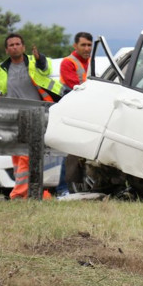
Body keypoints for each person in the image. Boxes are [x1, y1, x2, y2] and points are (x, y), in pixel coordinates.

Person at [0, 33, 67, 199]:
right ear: (7, 49)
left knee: (27, 154)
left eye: (18, 44)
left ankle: (19, 194)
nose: (15, 47)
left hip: (36, 115)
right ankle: (31, 191)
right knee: (18, 155)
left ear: (23, 47)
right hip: (14, 116)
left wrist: (39, 58)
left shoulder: (34, 61)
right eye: (11, 45)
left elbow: (46, 68)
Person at [55, 32, 93, 196]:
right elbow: (76, 86)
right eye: (83, 45)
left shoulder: (91, 62)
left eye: (89, 45)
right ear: (75, 46)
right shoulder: (68, 62)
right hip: (72, 113)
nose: (87, 48)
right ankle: (62, 188)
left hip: (87, 112)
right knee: (69, 150)